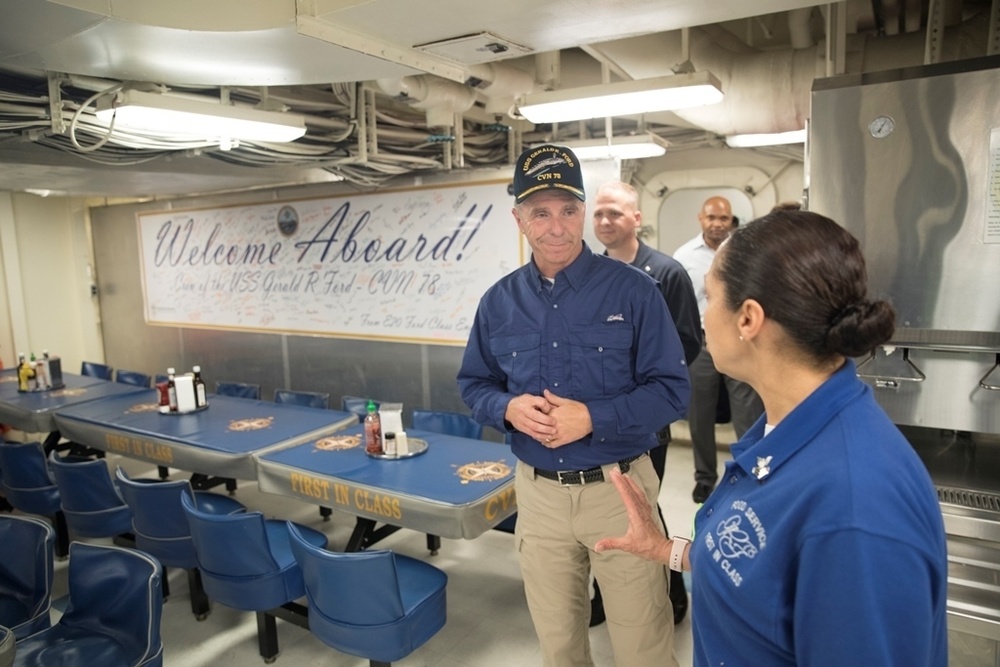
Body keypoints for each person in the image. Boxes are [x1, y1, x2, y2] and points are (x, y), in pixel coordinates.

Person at [596, 209, 948, 666]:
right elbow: (766, 572)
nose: (703, 318)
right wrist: (671, 551)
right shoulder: (779, 430)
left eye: (710, 299)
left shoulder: (854, 509)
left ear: (748, 319)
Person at [458, 144, 691, 667]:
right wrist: (507, 408)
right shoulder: (498, 302)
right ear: (519, 218)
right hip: (538, 498)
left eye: (567, 210)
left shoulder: (636, 292)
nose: (556, 226)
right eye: (540, 212)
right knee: (559, 644)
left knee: (644, 646)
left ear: (583, 211)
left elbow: (673, 391)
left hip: (620, 489)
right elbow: (474, 385)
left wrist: (593, 417)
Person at [590, 180, 701, 626]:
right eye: (598, 213)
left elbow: (687, 343)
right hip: (597, 419)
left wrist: (638, 383)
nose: (604, 221)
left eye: (614, 213)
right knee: (603, 504)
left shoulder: (667, 273)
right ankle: (603, 596)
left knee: (644, 502)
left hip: (645, 418)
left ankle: (671, 591)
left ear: (636, 218)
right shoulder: (588, 273)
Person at [673, 195, 763, 503]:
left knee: (748, 413)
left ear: (731, 220)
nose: (717, 224)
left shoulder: (745, 252)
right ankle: (704, 478)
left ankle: (753, 473)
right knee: (699, 414)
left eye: (723, 218)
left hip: (741, 342)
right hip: (701, 343)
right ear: (701, 218)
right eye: (711, 218)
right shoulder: (684, 257)